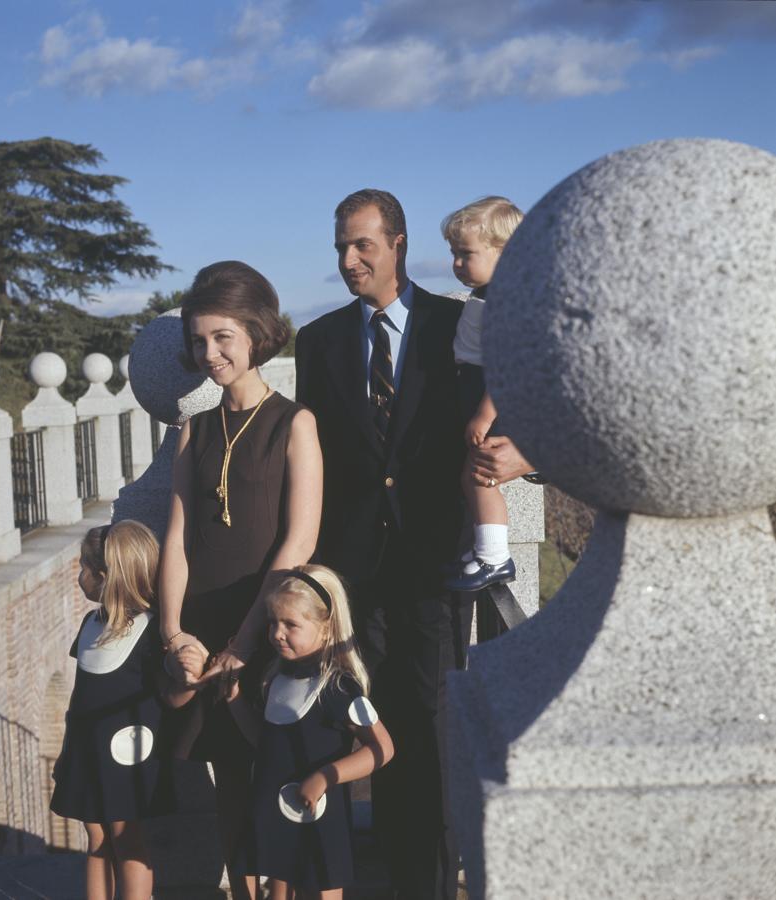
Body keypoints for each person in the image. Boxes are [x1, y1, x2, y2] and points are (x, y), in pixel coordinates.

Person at [295, 188, 468, 899]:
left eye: (362, 244)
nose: (348, 259)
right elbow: (312, 459)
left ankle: (423, 879)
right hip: (352, 570)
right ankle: (368, 865)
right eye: (340, 245)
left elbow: (491, 418)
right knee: (366, 718)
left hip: (432, 563)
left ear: (396, 243)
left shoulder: (456, 327)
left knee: (424, 719)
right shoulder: (319, 340)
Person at [157, 260, 323, 900]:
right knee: (227, 781)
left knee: (275, 776)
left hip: (271, 629)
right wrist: (174, 637)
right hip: (200, 628)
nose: (209, 353)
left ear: (255, 332)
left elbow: (298, 541)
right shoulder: (193, 430)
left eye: (223, 336)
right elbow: (175, 539)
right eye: (198, 340)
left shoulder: (294, 423)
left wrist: (245, 643)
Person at [234, 565, 394, 900]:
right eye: (273, 622)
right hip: (279, 815)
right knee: (279, 888)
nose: (277, 633)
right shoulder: (273, 680)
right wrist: (234, 701)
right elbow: (263, 742)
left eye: (290, 624)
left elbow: (381, 748)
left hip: (320, 819)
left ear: (326, 628)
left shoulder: (338, 688)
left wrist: (325, 777)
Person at [50, 520, 175, 900]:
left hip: (125, 757)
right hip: (87, 749)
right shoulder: (91, 624)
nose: (79, 577)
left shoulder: (150, 633)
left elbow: (171, 697)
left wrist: (190, 681)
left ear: (105, 577)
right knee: (96, 836)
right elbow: (81, 696)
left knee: (126, 839)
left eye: (84, 569)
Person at [440, 197, 524, 592]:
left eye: (466, 254)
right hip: (475, 385)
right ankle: (486, 550)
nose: (457, 263)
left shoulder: (504, 301)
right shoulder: (488, 295)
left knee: (479, 477)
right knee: (472, 476)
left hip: (491, 398)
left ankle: (494, 556)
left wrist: (484, 416)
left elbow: (509, 366)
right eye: (454, 254)